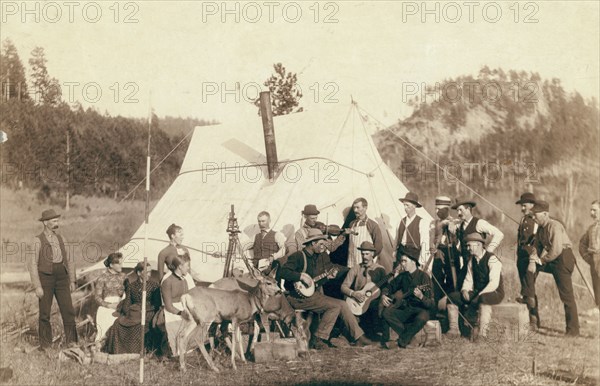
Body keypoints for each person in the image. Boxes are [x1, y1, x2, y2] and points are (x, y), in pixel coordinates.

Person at [278, 229, 375, 349]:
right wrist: (300, 276)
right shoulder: (298, 256)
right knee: (335, 306)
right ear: (312, 243)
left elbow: (321, 278)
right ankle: (318, 339)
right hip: (297, 297)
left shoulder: (322, 256)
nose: (324, 246)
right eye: (321, 243)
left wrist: (329, 276)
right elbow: (282, 272)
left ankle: (359, 337)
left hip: (314, 295)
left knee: (343, 304)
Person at [27, 209, 78, 350]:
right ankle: (46, 346)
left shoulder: (62, 238)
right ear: (45, 223)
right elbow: (32, 264)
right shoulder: (37, 240)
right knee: (44, 314)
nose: (57, 223)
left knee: (68, 310)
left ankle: (72, 343)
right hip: (45, 279)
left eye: (57, 220)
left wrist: (72, 280)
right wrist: (37, 286)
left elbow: (70, 259)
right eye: (54, 221)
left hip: (62, 278)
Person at [531, 201, 579, 336]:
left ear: (545, 214)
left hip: (564, 258)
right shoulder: (540, 229)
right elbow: (537, 246)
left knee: (566, 296)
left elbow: (556, 250)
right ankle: (528, 296)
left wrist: (540, 260)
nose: (534, 218)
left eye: (536, 215)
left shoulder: (555, 226)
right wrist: (534, 258)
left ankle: (573, 331)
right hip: (553, 259)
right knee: (532, 268)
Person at [447, 233, 504, 340]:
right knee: (452, 297)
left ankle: (482, 334)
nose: (468, 248)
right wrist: (465, 290)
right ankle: (454, 330)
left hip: (495, 292)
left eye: (469, 245)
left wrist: (478, 295)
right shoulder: (471, 260)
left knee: (483, 299)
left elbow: (493, 283)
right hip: (478, 291)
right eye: (467, 246)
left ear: (478, 244)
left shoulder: (492, 259)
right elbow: (469, 279)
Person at [380, 246, 434, 349]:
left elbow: (431, 304)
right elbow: (389, 286)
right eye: (401, 261)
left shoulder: (424, 277)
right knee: (386, 313)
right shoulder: (403, 276)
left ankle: (400, 342)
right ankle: (410, 339)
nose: (402, 264)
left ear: (413, 261)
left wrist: (421, 296)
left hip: (420, 310)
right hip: (406, 309)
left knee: (422, 317)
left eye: (404, 261)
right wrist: (383, 295)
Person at [103, 262, 162, 354]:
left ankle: (138, 352)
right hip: (134, 312)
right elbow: (127, 302)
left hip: (149, 312)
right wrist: (125, 313)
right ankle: (118, 351)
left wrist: (146, 309)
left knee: (139, 326)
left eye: (150, 272)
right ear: (139, 273)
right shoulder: (132, 286)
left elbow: (157, 304)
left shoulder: (154, 286)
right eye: (147, 272)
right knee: (117, 323)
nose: (149, 275)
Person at [451, 197, 504, 288]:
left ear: (468, 209)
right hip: (466, 266)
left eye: (460, 210)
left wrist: (489, 251)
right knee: (461, 289)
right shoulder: (460, 226)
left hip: (479, 265)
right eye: (457, 211)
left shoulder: (479, 223)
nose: (458, 213)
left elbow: (499, 234)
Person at [340, 241, 387, 340]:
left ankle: (377, 332)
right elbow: (344, 287)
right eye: (362, 254)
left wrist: (383, 295)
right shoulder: (356, 268)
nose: (364, 256)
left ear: (372, 254)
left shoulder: (380, 269)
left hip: (373, 304)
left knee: (376, 306)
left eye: (367, 254)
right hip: (357, 301)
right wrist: (353, 294)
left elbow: (386, 287)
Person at [515, 192, 541, 328]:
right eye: (521, 206)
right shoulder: (523, 219)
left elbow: (537, 241)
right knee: (526, 287)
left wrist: (533, 259)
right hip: (521, 257)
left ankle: (533, 321)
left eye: (524, 206)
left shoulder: (536, 220)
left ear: (531, 205)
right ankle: (532, 318)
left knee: (529, 287)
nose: (522, 208)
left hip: (530, 257)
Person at [429, 196, 461, 306]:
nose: (436, 211)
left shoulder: (455, 222)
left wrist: (452, 227)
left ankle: (451, 306)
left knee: (453, 281)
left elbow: (456, 242)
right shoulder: (434, 223)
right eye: (436, 208)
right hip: (438, 254)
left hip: (451, 254)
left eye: (439, 209)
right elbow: (432, 240)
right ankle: (437, 306)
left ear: (446, 209)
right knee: (436, 280)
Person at [161, 254, 191, 356]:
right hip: (172, 313)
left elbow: (187, 299)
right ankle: (177, 353)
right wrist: (181, 313)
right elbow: (168, 306)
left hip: (184, 309)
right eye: (187, 265)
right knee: (176, 333)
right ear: (180, 267)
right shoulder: (167, 281)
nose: (188, 268)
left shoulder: (185, 280)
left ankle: (186, 352)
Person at [94, 253, 126, 343]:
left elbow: (128, 293)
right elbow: (97, 297)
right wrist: (109, 305)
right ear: (111, 265)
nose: (121, 265)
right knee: (104, 331)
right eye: (119, 263)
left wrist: (122, 304)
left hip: (121, 306)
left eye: (121, 263)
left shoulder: (124, 277)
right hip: (106, 308)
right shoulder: (102, 278)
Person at [396, 192, 431, 273]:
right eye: (404, 205)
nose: (405, 208)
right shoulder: (400, 221)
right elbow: (397, 239)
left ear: (414, 206)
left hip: (413, 255)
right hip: (400, 254)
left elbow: (424, 242)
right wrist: (395, 252)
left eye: (407, 205)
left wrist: (422, 261)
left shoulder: (421, 222)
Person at [345, 198, 383, 268]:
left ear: (365, 208)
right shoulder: (351, 224)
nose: (355, 210)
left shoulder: (372, 225)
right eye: (354, 208)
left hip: (365, 264)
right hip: (351, 262)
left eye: (357, 207)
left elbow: (379, 246)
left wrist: (369, 258)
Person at [579, 200, 600, 309]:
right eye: (591, 210)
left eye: (594, 210)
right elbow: (582, 244)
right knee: (598, 296)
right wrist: (589, 259)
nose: (592, 213)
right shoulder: (591, 228)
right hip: (595, 264)